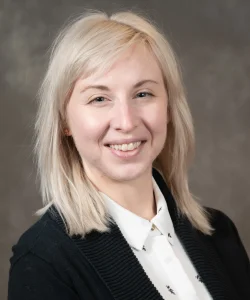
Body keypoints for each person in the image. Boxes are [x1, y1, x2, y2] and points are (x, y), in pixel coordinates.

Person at [8, 10, 250, 300]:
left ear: (170, 108)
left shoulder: (218, 234)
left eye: (143, 94)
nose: (126, 121)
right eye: (99, 98)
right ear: (64, 122)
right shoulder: (43, 261)